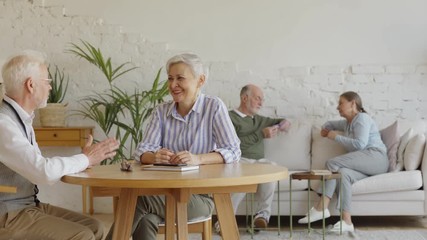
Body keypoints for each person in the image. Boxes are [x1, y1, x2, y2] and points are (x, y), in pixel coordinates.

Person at [105, 53, 241, 240]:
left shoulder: (214, 107)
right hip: (162, 193)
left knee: (137, 199)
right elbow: (141, 151)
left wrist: (197, 159)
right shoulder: (161, 111)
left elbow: (233, 150)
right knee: (144, 220)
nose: (173, 85)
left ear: (200, 80)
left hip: (200, 198)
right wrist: (154, 156)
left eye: (180, 78)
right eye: (170, 78)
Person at [0, 51, 120, 240]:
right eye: (47, 81)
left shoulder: (22, 119)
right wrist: (85, 158)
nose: (50, 87)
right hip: (7, 215)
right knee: (82, 235)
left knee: (94, 227)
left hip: (27, 206)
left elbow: (38, 165)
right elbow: (43, 172)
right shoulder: (4, 125)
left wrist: (83, 161)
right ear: (31, 85)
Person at [298, 91, 388, 232]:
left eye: (341, 103)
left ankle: (321, 207)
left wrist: (335, 137)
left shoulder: (362, 118)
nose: (337, 107)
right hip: (367, 162)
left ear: (353, 103)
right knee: (343, 173)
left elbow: (360, 144)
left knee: (332, 163)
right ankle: (347, 222)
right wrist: (326, 128)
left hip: (376, 157)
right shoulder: (347, 123)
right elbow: (330, 123)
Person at [223, 84, 290, 230]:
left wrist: (283, 124)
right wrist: (261, 134)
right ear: (244, 98)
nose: (261, 103)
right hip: (239, 160)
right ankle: (223, 221)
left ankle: (262, 216)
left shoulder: (259, 119)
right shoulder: (229, 118)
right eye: (257, 98)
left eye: (262, 100)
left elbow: (282, 121)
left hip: (259, 162)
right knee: (243, 179)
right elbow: (232, 145)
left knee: (271, 168)